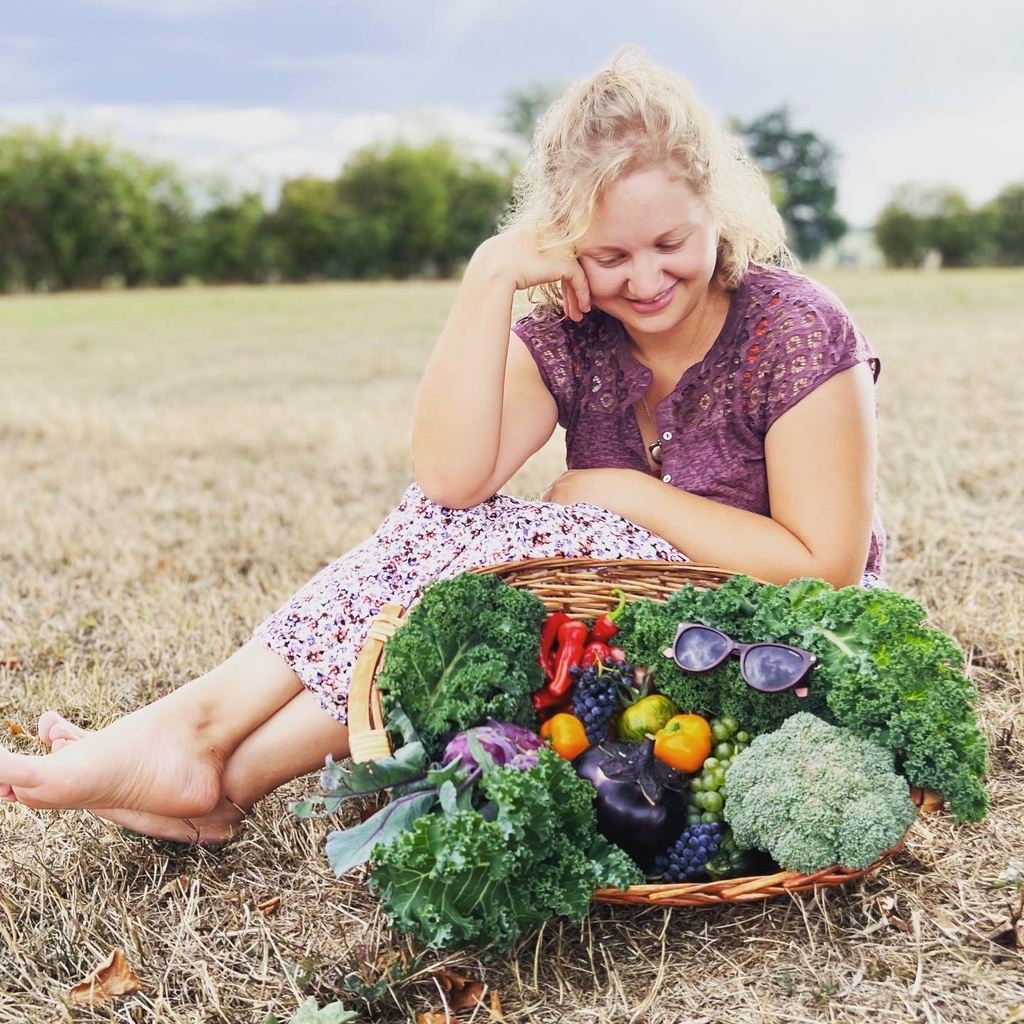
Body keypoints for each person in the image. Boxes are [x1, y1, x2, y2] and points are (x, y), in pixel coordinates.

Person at [0, 49, 884, 843]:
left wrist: (614, 489)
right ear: (568, 242)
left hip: (768, 654)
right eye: (609, 253)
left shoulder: (794, 329)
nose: (645, 279)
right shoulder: (576, 329)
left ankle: (213, 759)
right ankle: (205, 757)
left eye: (670, 243)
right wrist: (490, 274)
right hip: (619, 634)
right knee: (445, 526)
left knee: (530, 542)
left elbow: (828, 569)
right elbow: (450, 479)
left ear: (716, 211)